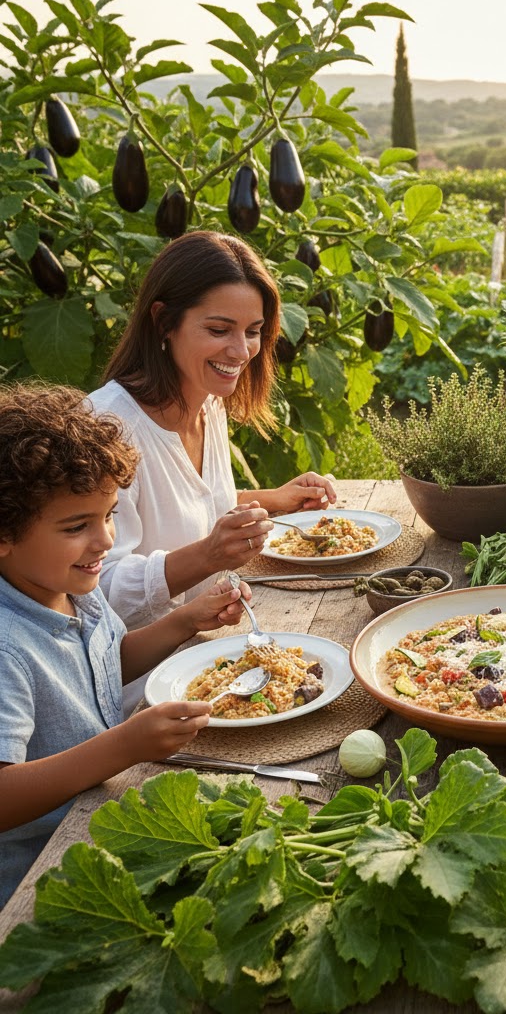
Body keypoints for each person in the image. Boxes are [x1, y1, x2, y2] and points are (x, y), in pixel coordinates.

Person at [0, 384, 250, 909]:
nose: (106, 541)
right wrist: (124, 747)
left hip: (100, 813)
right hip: (42, 878)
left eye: (110, 514)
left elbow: (104, 666)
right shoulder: (7, 644)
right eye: (77, 526)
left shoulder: (72, 589)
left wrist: (184, 621)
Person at [89, 231, 337, 639]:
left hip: (211, 646)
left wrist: (274, 500)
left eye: (253, 331)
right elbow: (94, 587)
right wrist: (207, 557)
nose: (241, 352)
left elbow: (182, 510)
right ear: (163, 322)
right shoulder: (106, 428)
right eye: (220, 330)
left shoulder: (207, 402)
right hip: (136, 680)